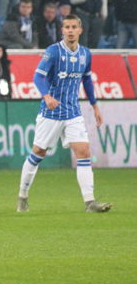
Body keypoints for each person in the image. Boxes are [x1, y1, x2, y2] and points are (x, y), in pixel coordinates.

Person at [17, 14, 111, 213]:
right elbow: (37, 77)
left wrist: (94, 105)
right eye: (66, 27)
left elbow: (86, 80)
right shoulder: (53, 51)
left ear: (80, 30)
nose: (70, 30)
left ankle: (90, 202)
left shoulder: (86, 54)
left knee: (84, 152)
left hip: (73, 112)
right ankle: (22, 195)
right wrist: (47, 96)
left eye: (73, 27)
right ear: (62, 30)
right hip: (50, 113)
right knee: (38, 153)